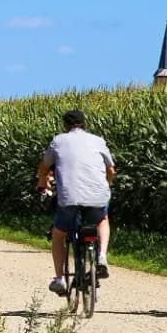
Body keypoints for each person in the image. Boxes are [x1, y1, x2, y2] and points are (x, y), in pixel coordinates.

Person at [36, 108, 115, 296]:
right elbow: (111, 170)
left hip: (69, 198)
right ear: (84, 124)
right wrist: (108, 183)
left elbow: (44, 167)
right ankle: (102, 257)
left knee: (59, 234)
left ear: (65, 125)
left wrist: (42, 183)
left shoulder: (58, 141)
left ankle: (60, 279)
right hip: (97, 196)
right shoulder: (98, 140)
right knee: (102, 220)